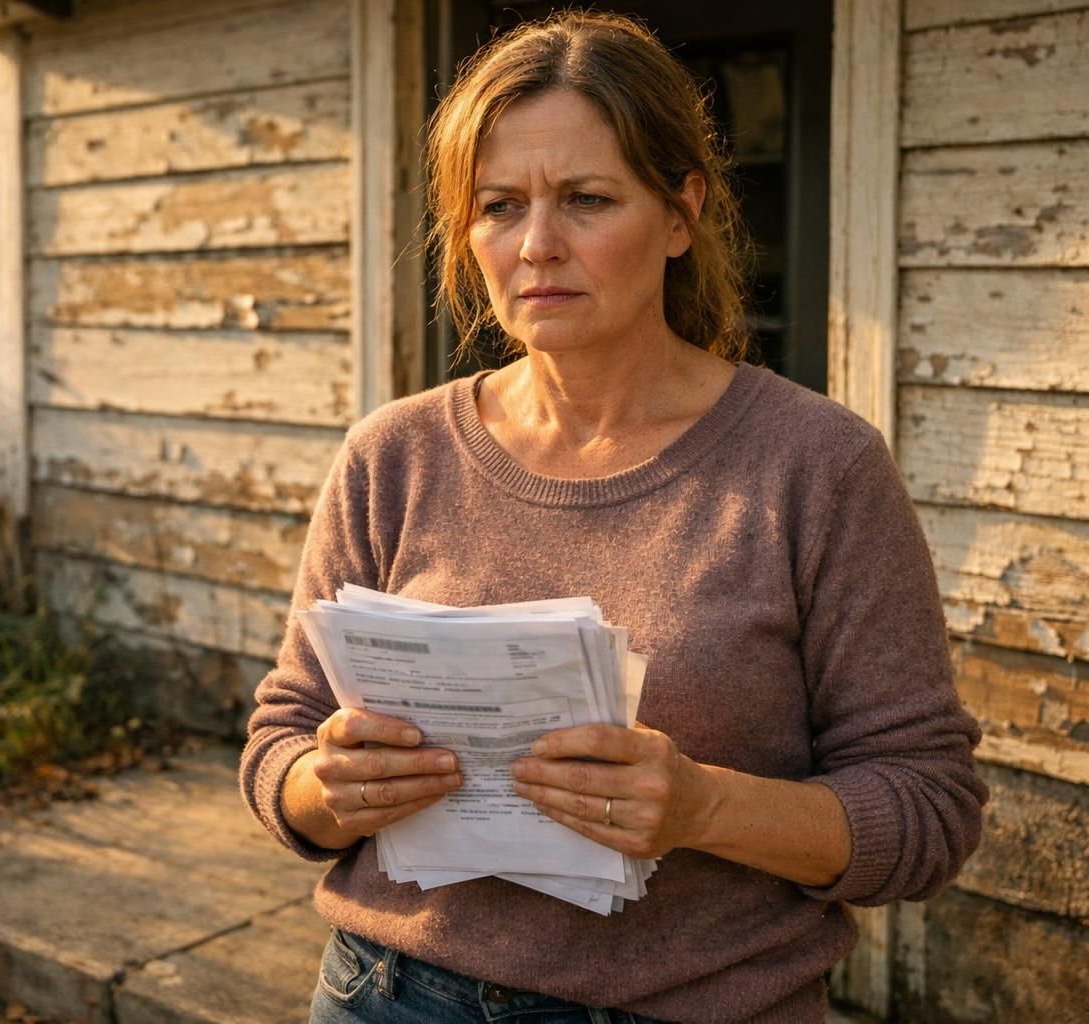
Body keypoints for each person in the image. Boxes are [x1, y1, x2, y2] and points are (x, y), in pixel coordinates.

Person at [239, 11, 986, 1024]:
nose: (538, 244)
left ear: (681, 213)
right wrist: (327, 787)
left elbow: (929, 811)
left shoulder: (817, 466)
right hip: (388, 992)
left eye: (587, 199)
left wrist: (702, 806)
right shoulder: (393, 454)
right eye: (500, 205)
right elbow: (279, 741)